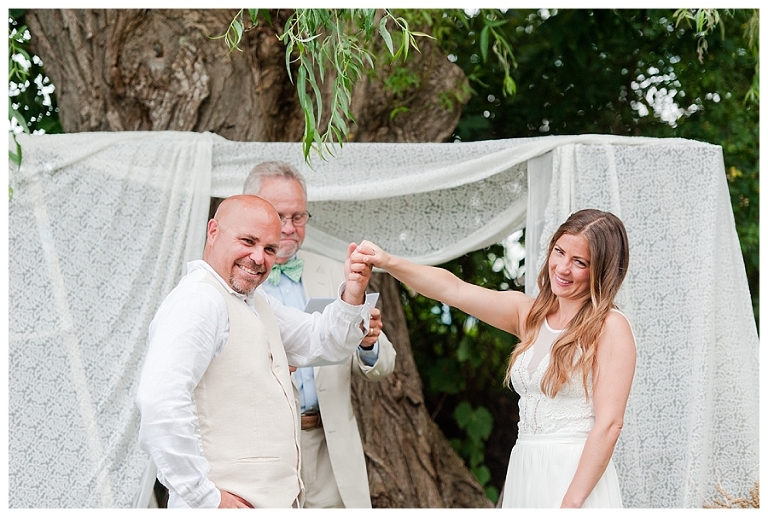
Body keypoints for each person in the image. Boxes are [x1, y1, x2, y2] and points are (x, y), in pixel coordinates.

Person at [355, 208, 635, 508]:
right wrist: (387, 262)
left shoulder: (610, 327)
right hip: (526, 469)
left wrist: (572, 502)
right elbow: (453, 290)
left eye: (579, 262)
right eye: (559, 252)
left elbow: (609, 424)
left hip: (575, 477)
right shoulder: (528, 315)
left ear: (601, 271)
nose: (562, 268)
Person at [136, 194, 376, 508]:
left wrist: (354, 292)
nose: (258, 258)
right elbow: (160, 402)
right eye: (247, 241)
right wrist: (205, 497)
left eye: (269, 249)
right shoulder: (199, 299)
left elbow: (322, 340)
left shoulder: (256, 302)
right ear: (213, 232)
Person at [243, 161, 396, 508]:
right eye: (279, 216)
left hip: (332, 449)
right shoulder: (234, 279)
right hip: (263, 454)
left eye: (298, 217)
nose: (289, 228)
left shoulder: (334, 273)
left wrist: (369, 344)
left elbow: (384, 365)